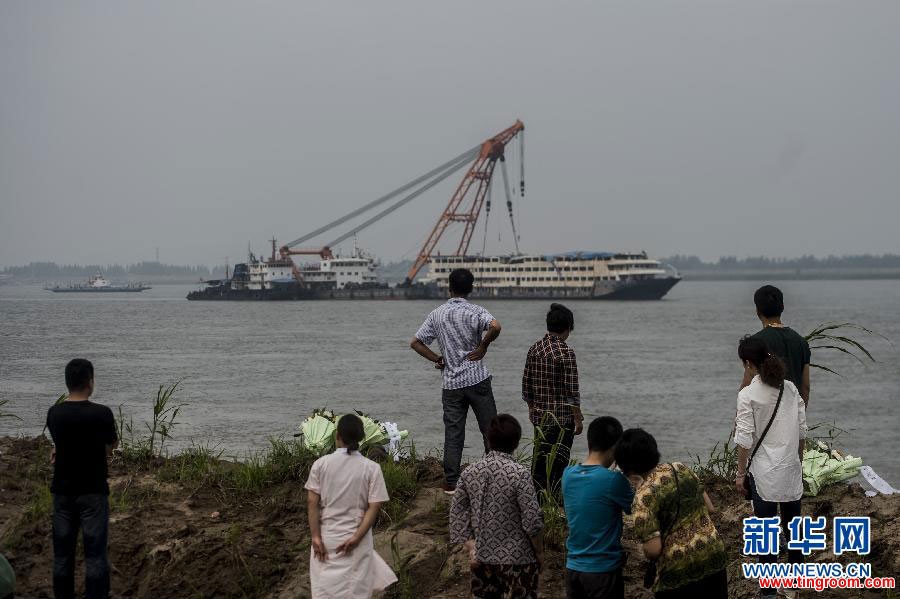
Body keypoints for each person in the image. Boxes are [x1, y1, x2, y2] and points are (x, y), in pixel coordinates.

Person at [410, 268, 502, 494]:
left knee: (453, 433)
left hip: (451, 383)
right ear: (470, 288)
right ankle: (493, 477)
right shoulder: (475, 311)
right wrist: (483, 346)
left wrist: (437, 358)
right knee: (489, 429)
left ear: (449, 287)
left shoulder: (437, 314)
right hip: (477, 379)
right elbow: (496, 326)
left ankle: (451, 482)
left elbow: (416, 343)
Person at [734, 335, 807, 599]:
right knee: (793, 530)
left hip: (764, 475)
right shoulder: (789, 388)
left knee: (764, 535)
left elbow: (744, 439)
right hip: (790, 470)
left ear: (747, 363)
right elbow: (801, 432)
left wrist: (740, 474)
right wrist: (797, 461)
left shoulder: (748, 395)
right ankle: (795, 586)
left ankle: (768, 592)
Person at [615, 429, 728, 599]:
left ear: (627, 470)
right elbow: (710, 508)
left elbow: (653, 550)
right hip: (714, 556)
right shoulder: (680, 468)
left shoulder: (642, 498)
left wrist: (642, 546)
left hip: (679, 571)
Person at [450, 414, 544, 599]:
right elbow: (532, 520)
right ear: (516, 442)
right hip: (519, 559)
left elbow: (457, 515)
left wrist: (471, 546)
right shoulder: (519, 474)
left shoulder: (469, 472)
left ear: (489, 439)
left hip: (482, 558)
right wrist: (539, 552)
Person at [45, 359, 117, 599]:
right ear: (90, 381)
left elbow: (59, 444)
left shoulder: (54, 413)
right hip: (93, 491)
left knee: (62, 556)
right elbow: (111, 446)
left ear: (68, 383)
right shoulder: (102, 413)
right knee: (95, 556)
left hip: (63, 492)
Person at [305, 413, 397, 598]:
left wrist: (315, 536)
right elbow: (374, 507)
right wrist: (356, 537)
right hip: (356, 539)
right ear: (361, 438)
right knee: (355, 592)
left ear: (337, 436)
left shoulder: (320, 464)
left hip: (327, 538)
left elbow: (312, 503)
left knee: (325, 591)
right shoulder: (371, 468)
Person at [562, 417, 633, 599]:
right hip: (603, 571)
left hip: (573, 569)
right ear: (616, 448)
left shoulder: (568, 475)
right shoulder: (614, 481)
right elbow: (637, 507)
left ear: (589, 442)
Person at [522, 303, 583, 497]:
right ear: (568, 327)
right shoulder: (565, 352)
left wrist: (531, 408)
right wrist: (578, 418)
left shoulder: (534, 349)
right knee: (560, 460)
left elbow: (527, 384)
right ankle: (556, 499)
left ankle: (537, 497)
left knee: (539, 458)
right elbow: (571, 390)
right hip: (562, 418)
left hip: (540, 416)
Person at [741, 285, 811, 407]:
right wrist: (800, 417)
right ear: (782, 307)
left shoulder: (756, 342)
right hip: (792, 417)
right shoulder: (801, 342)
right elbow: (805, 386)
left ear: (757, 310)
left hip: (764, 417)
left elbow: (746, 386)